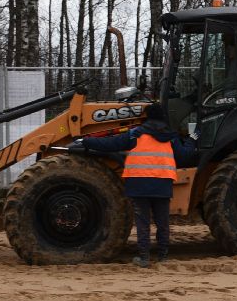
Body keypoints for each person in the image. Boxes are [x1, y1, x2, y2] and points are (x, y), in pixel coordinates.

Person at [73, 103, 183, 267]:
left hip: (139, 185)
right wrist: (192, 141)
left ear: (146, 117)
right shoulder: (171, 137)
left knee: (143, 223)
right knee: (162, 223)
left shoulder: (135, 135)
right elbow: (184, 154)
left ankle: (144, 258)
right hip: (162, 184)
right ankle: (163, 256)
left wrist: (87, 141)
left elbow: (110, 144)